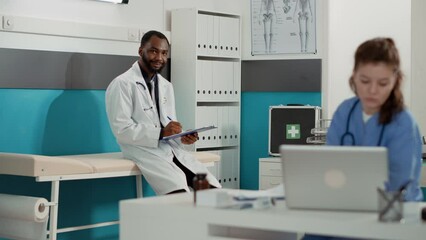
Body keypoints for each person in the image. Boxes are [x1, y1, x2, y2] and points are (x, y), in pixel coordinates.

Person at [303, 37, 423, 240]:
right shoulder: (345, 111)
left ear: (395, 81)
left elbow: (397, 186)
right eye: (365, 81)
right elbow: (329, 165)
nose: (373, 90)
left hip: (392, 215)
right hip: (343, 208)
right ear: (354, 77)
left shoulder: (404, 123)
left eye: (383, 83)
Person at [105, 30, 221, 195]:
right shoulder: (122, 84)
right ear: (140, 51)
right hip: (143, 150)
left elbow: (168, 125)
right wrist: (161, 133)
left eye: (164, 53)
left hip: (171, 150)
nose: (159, 57)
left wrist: (181, 137)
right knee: (179, 193)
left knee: (212, 190)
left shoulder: (166, 85)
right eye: (154, 51)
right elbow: (121, 131)